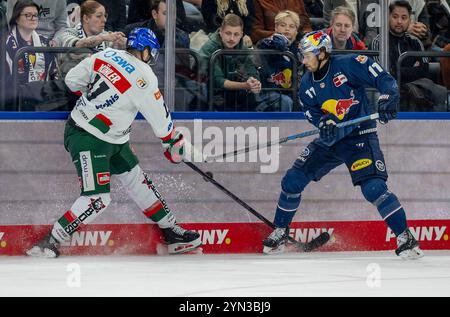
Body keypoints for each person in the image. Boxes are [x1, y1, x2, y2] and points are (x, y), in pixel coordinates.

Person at [26, 28, 201, 258]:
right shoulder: (144, 76)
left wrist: (98, 104)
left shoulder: (105, 55)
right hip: (88, 138)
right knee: (97, 198)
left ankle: (171, 232)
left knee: (139, 182)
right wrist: (170, 142)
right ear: (146, 50)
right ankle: (48, 241)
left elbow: (71, 81)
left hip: (107, 136)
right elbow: (160, 116)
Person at [262, 30, 424, 260]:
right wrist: (323, 122)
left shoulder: (349, 64)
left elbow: (383, 78)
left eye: (307, 55)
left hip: (359, 136)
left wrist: (388, 97)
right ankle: (281, 231)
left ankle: (405, 237)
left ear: (323, 52)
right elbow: (310, 110)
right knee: (292, 180)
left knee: (374, 189)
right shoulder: (307, 81)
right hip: (331, 141)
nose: (303, 60)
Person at [371, 0, 447, 111]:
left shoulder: (416, 42)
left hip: (416, 88)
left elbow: (424, 70)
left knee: (437, 93)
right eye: (395, 17)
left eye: (404, 18)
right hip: (387, 90)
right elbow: (385, 73)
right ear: (387, 17)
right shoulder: (378, 41)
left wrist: (397, 69)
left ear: (410, 20)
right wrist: (411, 69)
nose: (399, 21)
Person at [198, 13, 262, 111]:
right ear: (220, 32)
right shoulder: (210, 48)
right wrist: (245, 85)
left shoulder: (243, 48)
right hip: (210, 96)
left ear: (241, 35)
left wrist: (254, 83)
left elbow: (252, 72)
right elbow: (218, 81)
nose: (232, 38)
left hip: (235, 95)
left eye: (236, 34)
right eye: (228, 33)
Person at [4, 0, 58, 107]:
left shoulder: (46, 43)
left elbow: (54, 76)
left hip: (42, 102)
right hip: (13, 102)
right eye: (28, 15)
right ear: (17, 18)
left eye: (35, 15)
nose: (33, 18)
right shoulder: (5, 43)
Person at [256, 10, 302, 111]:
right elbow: (263, 44)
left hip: (290, 92)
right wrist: (280, 45)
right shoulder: (267, 44)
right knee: (286, 101)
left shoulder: (298, 50)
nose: (287, 29)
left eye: (291, 26)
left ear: (296, 31)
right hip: (267, 92)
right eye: (283, 25)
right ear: (276, 27)